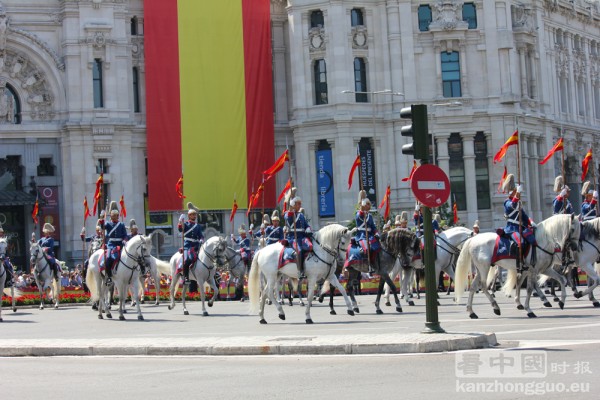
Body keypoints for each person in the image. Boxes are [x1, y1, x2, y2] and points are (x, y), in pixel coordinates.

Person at [502, 174, 537, 270]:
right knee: (520, 242)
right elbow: (512, 205)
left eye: (517, 192)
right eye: (515, 191)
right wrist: (517, 192)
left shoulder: (519, 203)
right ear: (512, 193)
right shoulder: (507, 202)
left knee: (532, 239)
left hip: (521, 228)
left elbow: (524, 216)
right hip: (512, 229)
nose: (518, 193)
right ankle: (519, 264)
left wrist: (531, 222)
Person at [284, 188, 312, 279]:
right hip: (293, 238)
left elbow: (306, 225)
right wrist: (290, 207)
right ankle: (300, 271)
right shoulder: (289, 214)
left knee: (311, 246)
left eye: (300, 203)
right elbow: (289, 219)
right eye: (298, 204)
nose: (300, 205)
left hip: (302, 237)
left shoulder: (301, 215)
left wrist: (307, 228)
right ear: (294, 205)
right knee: (299, 250)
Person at [178, 202, 204, 284]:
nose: (194, 216)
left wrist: (201, 239)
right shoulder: (185, 224)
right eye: (193, 215)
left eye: (195, 215)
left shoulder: (198, 226)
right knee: (188, 259)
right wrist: (180, 221)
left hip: (196, 246)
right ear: (189, 216)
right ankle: (186, 277)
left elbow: (201, 235)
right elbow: (180, 229)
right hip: (187, 246)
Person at [355, 190, 381, 274]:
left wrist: (376, 232)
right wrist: (362, 207)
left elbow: (373, 226)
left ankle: (374, 263)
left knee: (377, 247)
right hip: (362, 235)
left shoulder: (370, 216)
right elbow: (360, 216)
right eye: (367, 204)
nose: (369, 206)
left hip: (370, 235)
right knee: (366, 248)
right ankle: (367, 265)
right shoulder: (358, 213)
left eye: (369, 204)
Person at [103, 201, 127, 285]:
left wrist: (124, 240)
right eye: (112, 216)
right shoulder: (108, 224)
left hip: (120, 244)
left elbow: (125, 235)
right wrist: (102, 218)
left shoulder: (121, 224)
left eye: (115, 216)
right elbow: (103, 226)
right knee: (108, 258)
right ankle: (109, 276)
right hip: (111, 245)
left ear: (117, 216)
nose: (113, 217)